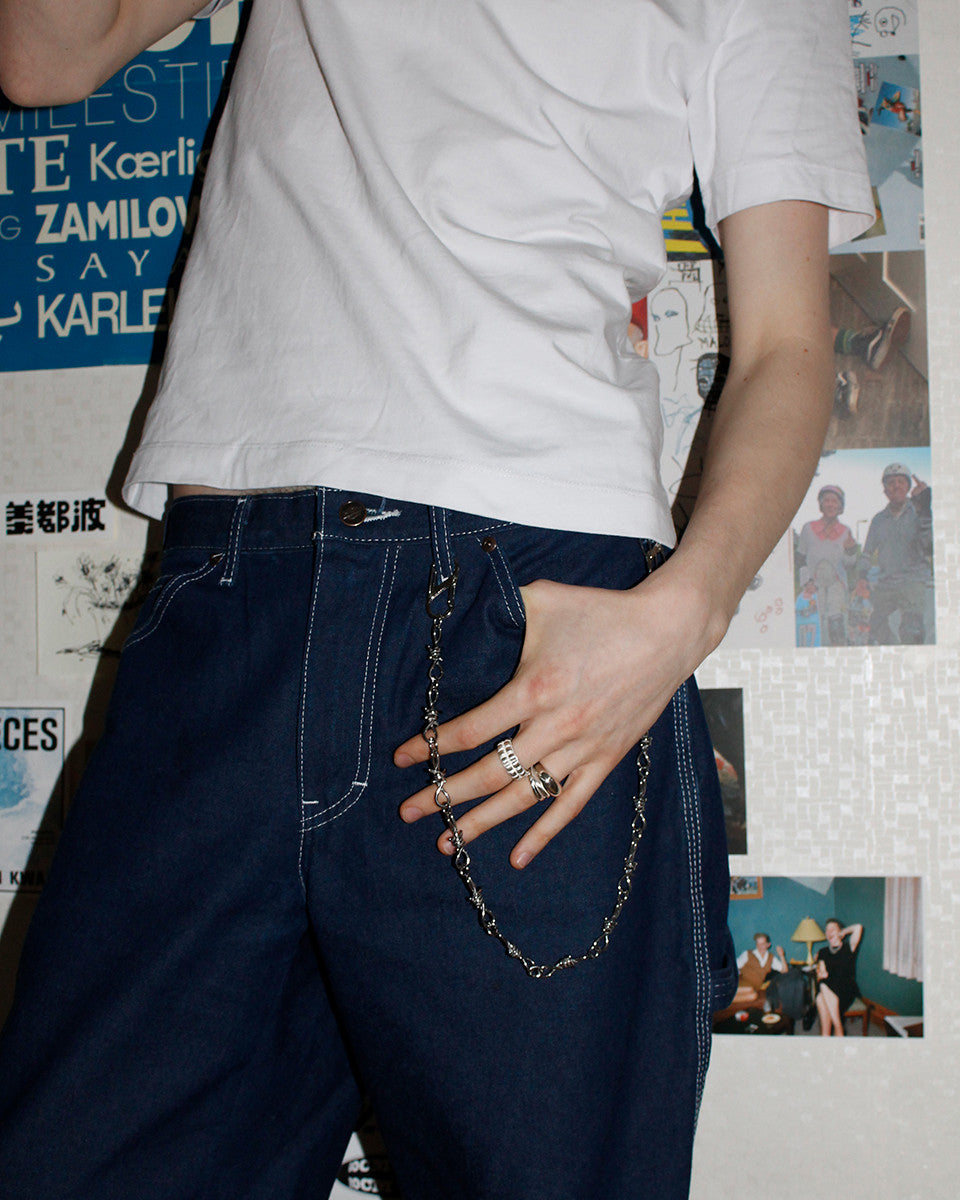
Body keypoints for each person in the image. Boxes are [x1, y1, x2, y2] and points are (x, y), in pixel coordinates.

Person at [0, 2, 873, 1197]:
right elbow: (43, 52)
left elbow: (787, 346)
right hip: (231, 594)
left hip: (529, 623)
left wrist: (681, 617)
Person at [861, 462, 933, 644]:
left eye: (901, 481)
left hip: (913, 580)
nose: (896, 486)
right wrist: (861, 577)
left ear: (908, 487)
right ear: (885, 490)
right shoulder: (878, 520)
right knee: (871, 628)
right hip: (887, 583)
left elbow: (930, 547)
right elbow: (867, 553)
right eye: (891, 482)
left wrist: (924, 509)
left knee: (912, 631)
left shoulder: (919, 511)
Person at [795, 484, 859, 646]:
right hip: (813, 583)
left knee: (835, 620)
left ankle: (838, 649)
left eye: (835, 501)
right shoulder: (808, 529)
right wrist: (806, 582)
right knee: (813, 619)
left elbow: (850, 564)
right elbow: (800, 558)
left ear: (840, 506)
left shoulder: (846, 531)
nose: (830, 504)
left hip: (836, 583)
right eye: (826, 500)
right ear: (821, 504)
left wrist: (851, 550)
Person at [815, 919, 864, 1037]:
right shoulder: (822, 952)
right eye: (827, 930)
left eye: (833, 929)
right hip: (829, 986)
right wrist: (820, 973)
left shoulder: (849, 947)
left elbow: (858, 927)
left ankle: (836, 1028)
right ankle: (832, 1032)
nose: (829, 932)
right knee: (821, 993)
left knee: (821, 993)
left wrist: (844, 932)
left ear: (840, 932)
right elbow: (820, 975)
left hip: (845, 988)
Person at [735, 932, 788, 998]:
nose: (759, 946)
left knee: (753, 996)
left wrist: (781, 956)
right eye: (758, 944)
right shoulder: (747, 954)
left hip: (755, 988)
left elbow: (785, 971)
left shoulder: (771, 957)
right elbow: (734, 967)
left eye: (762, 944)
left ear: (768, 945)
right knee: (749, 990)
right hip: (742, 985)